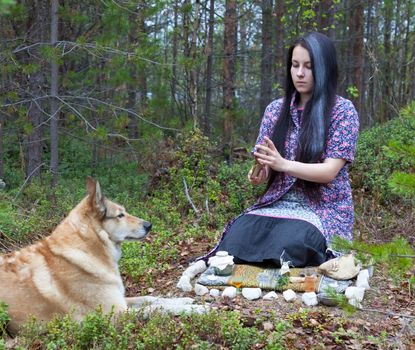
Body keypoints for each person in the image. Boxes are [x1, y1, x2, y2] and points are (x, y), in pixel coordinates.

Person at [202, 32, 359, 268]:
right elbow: (264, 162)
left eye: (309, 66)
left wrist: (283, 164)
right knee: (236, 238)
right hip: (277, 204)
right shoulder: (275, 110)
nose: (299, 73)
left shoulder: (342, 111)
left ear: (324, 68)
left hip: (322, 209)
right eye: (295, 65)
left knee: (293, 243)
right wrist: (260, 172)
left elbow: (329, 172)